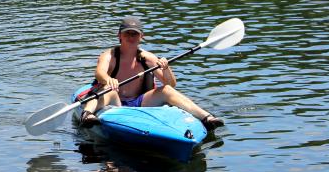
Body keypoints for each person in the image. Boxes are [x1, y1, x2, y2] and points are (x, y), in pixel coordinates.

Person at [79, 16, 225, 130]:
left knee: (166, 90)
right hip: (114, 101)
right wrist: (107, 79)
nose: (131, 37)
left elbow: (171, 84)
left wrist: (166, 68)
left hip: (139, 102)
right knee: (106, 88)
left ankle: (207, 118)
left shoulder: (147, 58)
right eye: (127, 33)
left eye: (134, 34)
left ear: (141, 36)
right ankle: (87, 115)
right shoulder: (109, 55)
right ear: (119, 35)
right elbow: (99, 73)